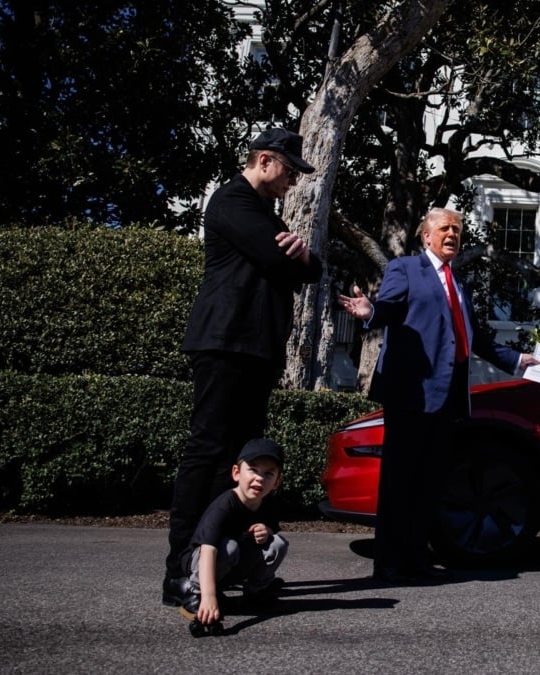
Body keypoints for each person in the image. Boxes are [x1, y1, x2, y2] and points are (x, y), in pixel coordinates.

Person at [162, 127, 321, 606]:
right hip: (224, 343)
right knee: (207, 450)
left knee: (237, 458)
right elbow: (279, 260)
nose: (293, 180)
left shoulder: (266, 213)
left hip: (257, 348)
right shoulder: (232, 201)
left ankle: (221, 565)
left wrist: (305, 257)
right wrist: (299, 259)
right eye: (290, 170)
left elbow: (310, 270)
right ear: (265, 160)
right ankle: (179, 571)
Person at [338, 207, 539, 584]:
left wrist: (516, 359)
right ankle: (389, 563)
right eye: (445, 228)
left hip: (447, 397)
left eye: (457, 230)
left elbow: (474, 336)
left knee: (430, 482)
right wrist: (370, 312)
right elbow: (389, 308)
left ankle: (417, 560)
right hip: (412, 393)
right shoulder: (406, 269)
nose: (452, 235)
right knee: (400, 481)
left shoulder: (458, 282)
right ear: (426, 236)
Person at [174, 438, 290, 628]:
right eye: (253, 469)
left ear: (277, 482)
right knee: (229, 547)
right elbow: (208, 550)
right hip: (204, 562)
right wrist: (209, 597)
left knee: (278, 543)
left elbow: (271, 532)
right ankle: (196, 594)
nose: (260, 478)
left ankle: (256, 593)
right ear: (236, 473)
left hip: (234, 564)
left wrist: (266, 531)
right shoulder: (224, 505)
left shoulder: (267, 502)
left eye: (268, 473)